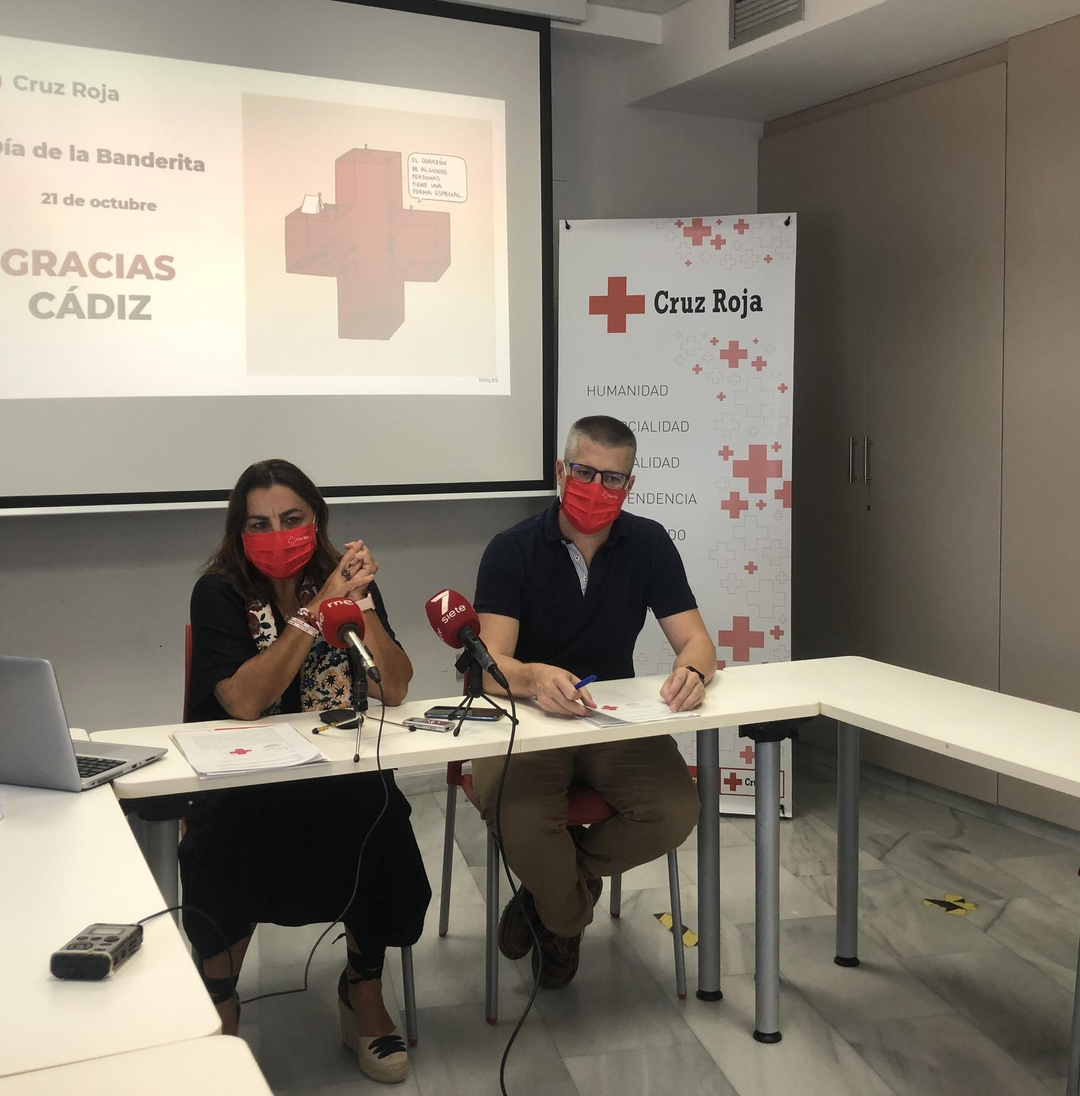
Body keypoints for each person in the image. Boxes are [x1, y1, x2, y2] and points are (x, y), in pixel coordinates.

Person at [182, 459, 429, 1084]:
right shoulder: (219, 593)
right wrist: (316, 609)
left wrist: (360, 604)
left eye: (291, 518)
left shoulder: (343, 581)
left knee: (380, 817)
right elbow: (244, 700)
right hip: (244, 781)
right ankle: (220, 999)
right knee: (221, 840)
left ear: (316, 520)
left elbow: (395, 687)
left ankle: (362, 990)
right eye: (259, 523)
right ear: (239, 531)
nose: (277, 533)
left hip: (333, 771)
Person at [471, 415, 716, 987]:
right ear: (561, 470)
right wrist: (536, 678)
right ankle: (567, 919)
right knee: (520, 820)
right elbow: (490, 667)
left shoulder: (648, 542)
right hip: (525, 719)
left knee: (675, 810)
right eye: (584, 472)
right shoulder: (511, 549)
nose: (596, 488)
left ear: (630, 485)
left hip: (610, 720)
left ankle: (548, 894)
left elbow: (697, 642)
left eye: (612, 478)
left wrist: (693, 672)